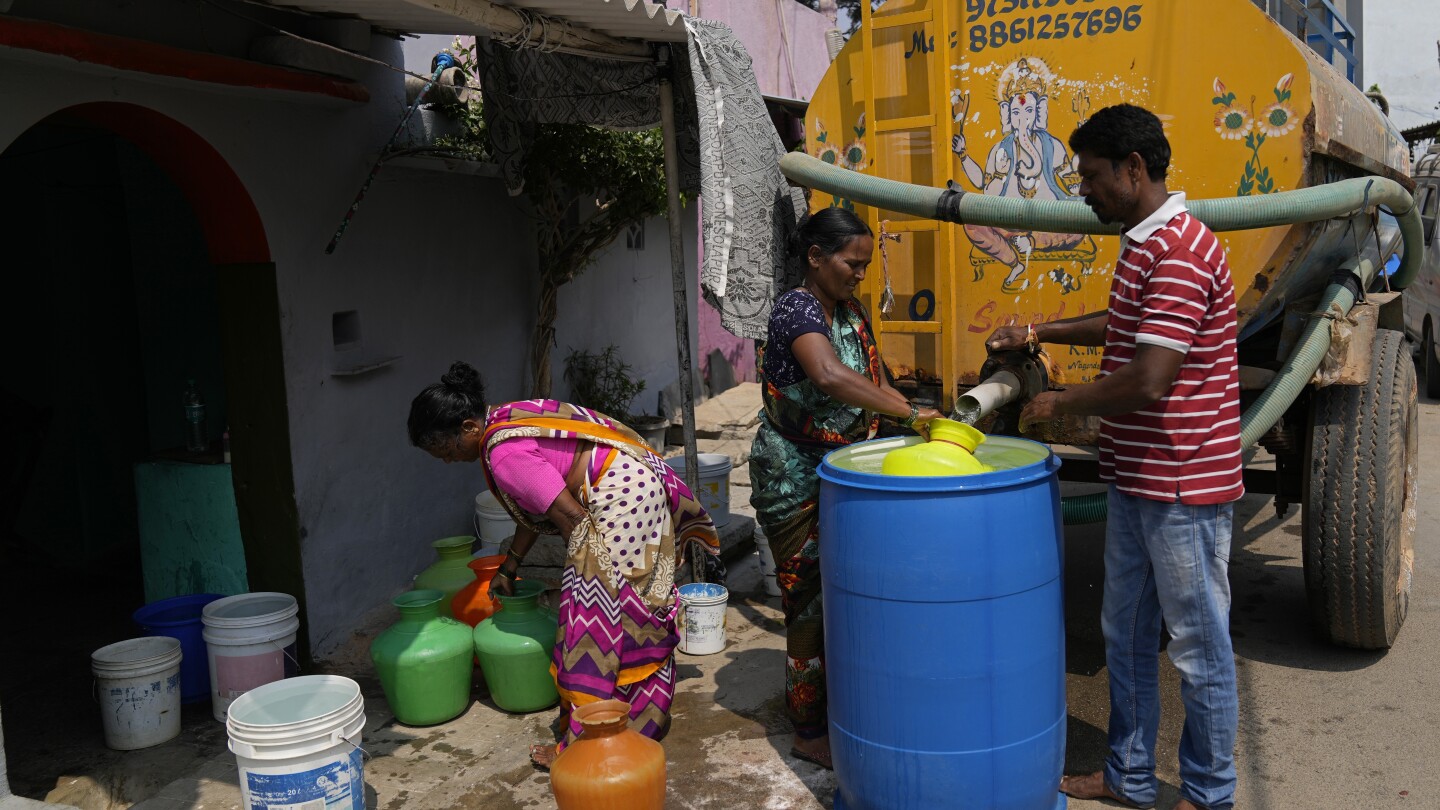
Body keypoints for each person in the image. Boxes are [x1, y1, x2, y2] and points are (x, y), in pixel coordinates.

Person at [988, 104, 1242, 810]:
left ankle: (1209, 793)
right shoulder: (1144, 242)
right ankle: (1129, 777)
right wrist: (1041, 328)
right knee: (1125, 633)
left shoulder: (1183, 250)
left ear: (1134, 170)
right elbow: (1125, 322)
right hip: (1138, 477)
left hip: (1183, 484)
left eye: (1093, 176)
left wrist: (1059, 402)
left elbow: (1152, 374)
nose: (1084, 190)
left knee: (1197, 646)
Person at [408, 362, 720, 768]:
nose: (449, 461)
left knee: (599, 627)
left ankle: (592, 742)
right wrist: (510, 565)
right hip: (638, 487)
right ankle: (641, 719)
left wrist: (589, 590)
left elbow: (571, 518)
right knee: (640, 607)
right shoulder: (506, 417)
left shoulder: (502, 454)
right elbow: (538, 508)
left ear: (468, 427)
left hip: (620, 501)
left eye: (446, 451)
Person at [749, 208, 942, 770]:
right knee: (807, 599)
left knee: (847, 594)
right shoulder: (796, 309)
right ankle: (807, 727)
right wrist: (910, 411)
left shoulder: (851, 311)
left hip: (846, 470)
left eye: (864, 263)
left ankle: (844, 701)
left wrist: (918, 423)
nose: (862, 274)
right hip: (794, 477)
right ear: (815, 258)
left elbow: (872, 380)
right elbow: (830, 376)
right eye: (851, 263)